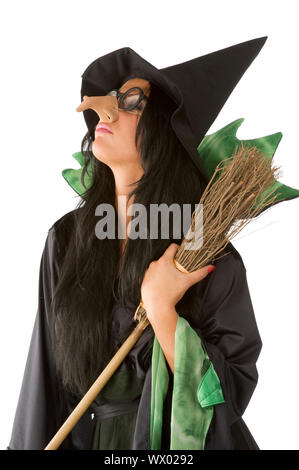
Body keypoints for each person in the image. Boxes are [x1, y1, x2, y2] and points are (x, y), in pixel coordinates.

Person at [9, 38, 297, 450]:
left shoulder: (206, 252)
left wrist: (163, 312)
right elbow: (43, 381)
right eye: (111, 99)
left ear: (166, 135)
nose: (106, 111)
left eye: (131, 103)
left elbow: (228, 398)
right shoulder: (67, 241)